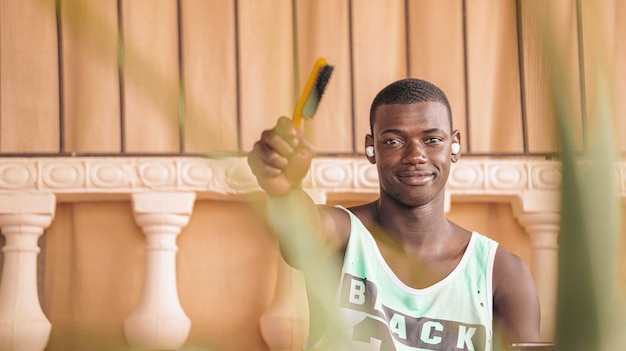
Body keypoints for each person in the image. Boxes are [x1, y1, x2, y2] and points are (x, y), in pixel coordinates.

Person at [247, 78, 541, 350]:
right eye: (393, 141)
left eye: (432, 140)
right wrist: (284, 191)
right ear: (370, 148)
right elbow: (302, 237)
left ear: (455, 145)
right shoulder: (343, 236)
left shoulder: (501, 272)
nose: (415, 155)